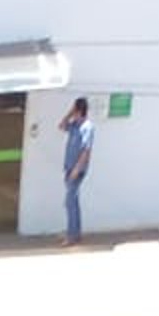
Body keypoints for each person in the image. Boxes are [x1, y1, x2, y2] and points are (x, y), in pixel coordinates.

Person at [59, 96, 93, 244]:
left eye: (74, 110)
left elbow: (86, 151)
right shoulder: (74, 125)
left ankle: (71, 236)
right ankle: (75, 233)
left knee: (70, 202)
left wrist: (76, 169)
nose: (73, 113)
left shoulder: (87, 127)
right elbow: (61, 126)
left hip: (77, 170)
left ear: (79, 111)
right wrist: (69, 113)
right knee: (73, 202)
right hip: (69, 167)